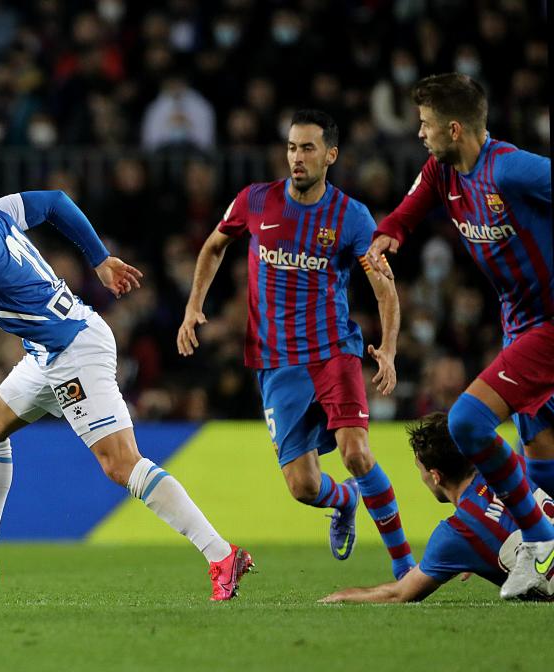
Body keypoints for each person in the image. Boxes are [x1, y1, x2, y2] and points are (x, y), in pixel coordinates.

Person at [0, 158, 253, 601]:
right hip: (51, 349)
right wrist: (99, 258)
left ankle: (221, 555)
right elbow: (54, 201)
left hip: (73, 351)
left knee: (120, 463)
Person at [177, 109, 417, 580]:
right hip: (276, 362)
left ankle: (405, 566)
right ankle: (345, 499)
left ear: (330, 154)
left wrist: (388, 348)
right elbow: (213, 246)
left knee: (356, 452)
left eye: (307, 148)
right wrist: (193, 306)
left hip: (333, 352)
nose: (297, 157)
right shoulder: (256, 201)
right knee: (304, 486)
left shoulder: (351, 217)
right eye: (291, 147)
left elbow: (384, 287)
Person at [366, 73, 554, 599]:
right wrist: (387, 236)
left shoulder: (511, 169)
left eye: (426, 125)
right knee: (540, 463)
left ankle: (541, 542)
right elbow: (408, 211)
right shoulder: (441, 173)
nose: (420, 134)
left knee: (468, 421)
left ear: (454, 128)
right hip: (519, 327)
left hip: (548, 326)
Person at [321, 412, 554, 603]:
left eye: (419, 470)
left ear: (435, 476)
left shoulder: (456, 533)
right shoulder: (513, 465)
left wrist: (343, 596)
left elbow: (399, 593)